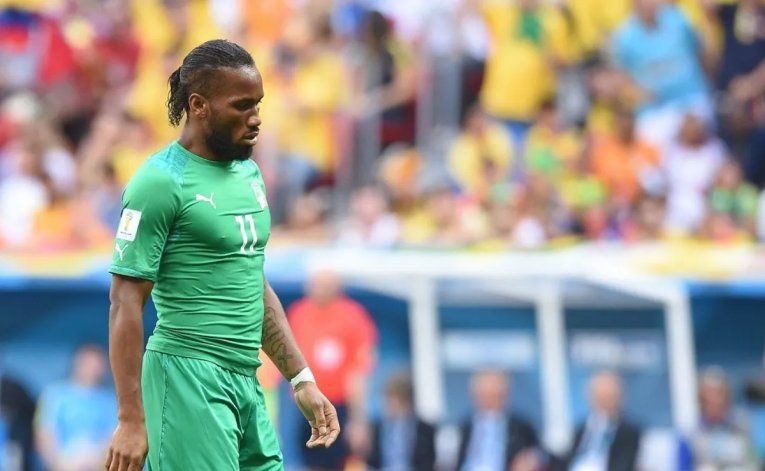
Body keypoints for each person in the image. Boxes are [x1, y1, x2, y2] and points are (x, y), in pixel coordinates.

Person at [106, 39, 340, 471]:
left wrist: (301, 378)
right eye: (241, 106)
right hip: (187, 376)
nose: (256, 118)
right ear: (199, 106)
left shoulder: (248, 173)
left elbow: (252, 281)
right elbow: (125, 301)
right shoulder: (159, 182)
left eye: (258, 104)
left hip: (246, 381)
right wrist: (130, 419)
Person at [288, 270, 378, 470]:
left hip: (339, 406)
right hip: (308, 407)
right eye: (315, 285)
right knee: (313, 461)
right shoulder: (299, 314)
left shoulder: (353, 317)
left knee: (345, 462)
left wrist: (358, 419)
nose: (318, 290)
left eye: (324, 285)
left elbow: (358, 372)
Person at [35, 344, 117, 471]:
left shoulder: (110, 400)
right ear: (77, 363)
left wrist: (96, 463)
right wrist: (60, 464)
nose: (93, 368)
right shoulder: (54, 394)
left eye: (97, 363)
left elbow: (113, 438)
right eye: (88, 362)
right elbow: (44, 434)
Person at [456, 369, 539, 471]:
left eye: (495, 396)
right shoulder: (464, 427)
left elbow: (539, 453)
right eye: (485, 396)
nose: (490, 402)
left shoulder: (521, 427)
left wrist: (530, 460)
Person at [564, 370, 641, 471]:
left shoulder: (628, 431)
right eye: (599, 397)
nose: (603, 402)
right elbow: (568, 459)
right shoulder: (581, 429)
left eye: (607, 397)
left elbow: (624, 464)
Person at [366, 372, 436, 471]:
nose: (386, 404)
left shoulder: (425, 430)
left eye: (391, 399)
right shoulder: (378, 428)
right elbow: (373, 461)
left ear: (405, 400)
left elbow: (428, 463)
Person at [691, 367, 759, 470]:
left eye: (719, 393)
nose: (715, 400)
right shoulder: (690, 435)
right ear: (701, 399)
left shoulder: (744, 425)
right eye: (709, 395)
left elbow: (754, 461)